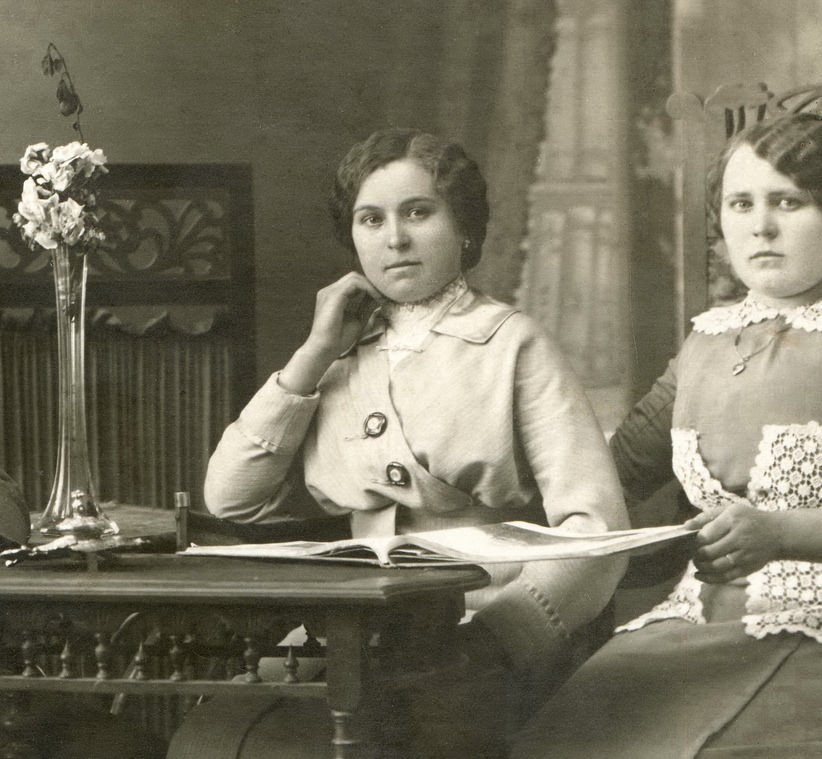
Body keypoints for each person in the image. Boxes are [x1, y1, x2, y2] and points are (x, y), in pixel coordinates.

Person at [511, 112, 822, 759]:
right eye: (742, 203)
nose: (760, 225)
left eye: (788, 201)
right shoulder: (706, 340)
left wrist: (782, 531)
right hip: (691, 627)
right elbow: (613, 469)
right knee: (554, 743)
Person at [192, 128, 628, 757]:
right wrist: (313, 355)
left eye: (418, 213)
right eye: (371, 220)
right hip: (357, 634)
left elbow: (597, 531)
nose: (394, 238)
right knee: (222, 736)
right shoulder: (340, 352)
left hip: (485, 637)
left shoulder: (512, 344)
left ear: (464, 228)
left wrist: (505, 635)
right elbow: (230, 500)